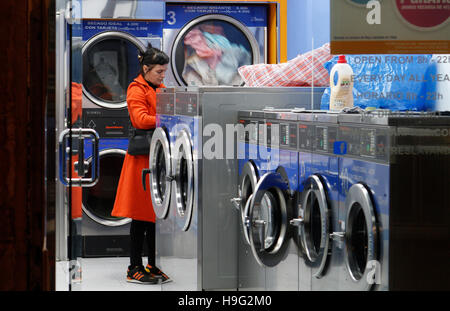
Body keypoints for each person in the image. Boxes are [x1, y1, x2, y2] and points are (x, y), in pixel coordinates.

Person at [111, 44, 170, 284]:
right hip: (141, 160)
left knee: (157, 214)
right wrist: (167, 118)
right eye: (158, 72)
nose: (162, 76)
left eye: (164, 72)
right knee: (141, 216)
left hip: (157, 156)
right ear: (145, 69)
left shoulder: (160, 88)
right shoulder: (137, 89)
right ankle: (134, 267)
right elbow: (140, 119)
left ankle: (153, 265)